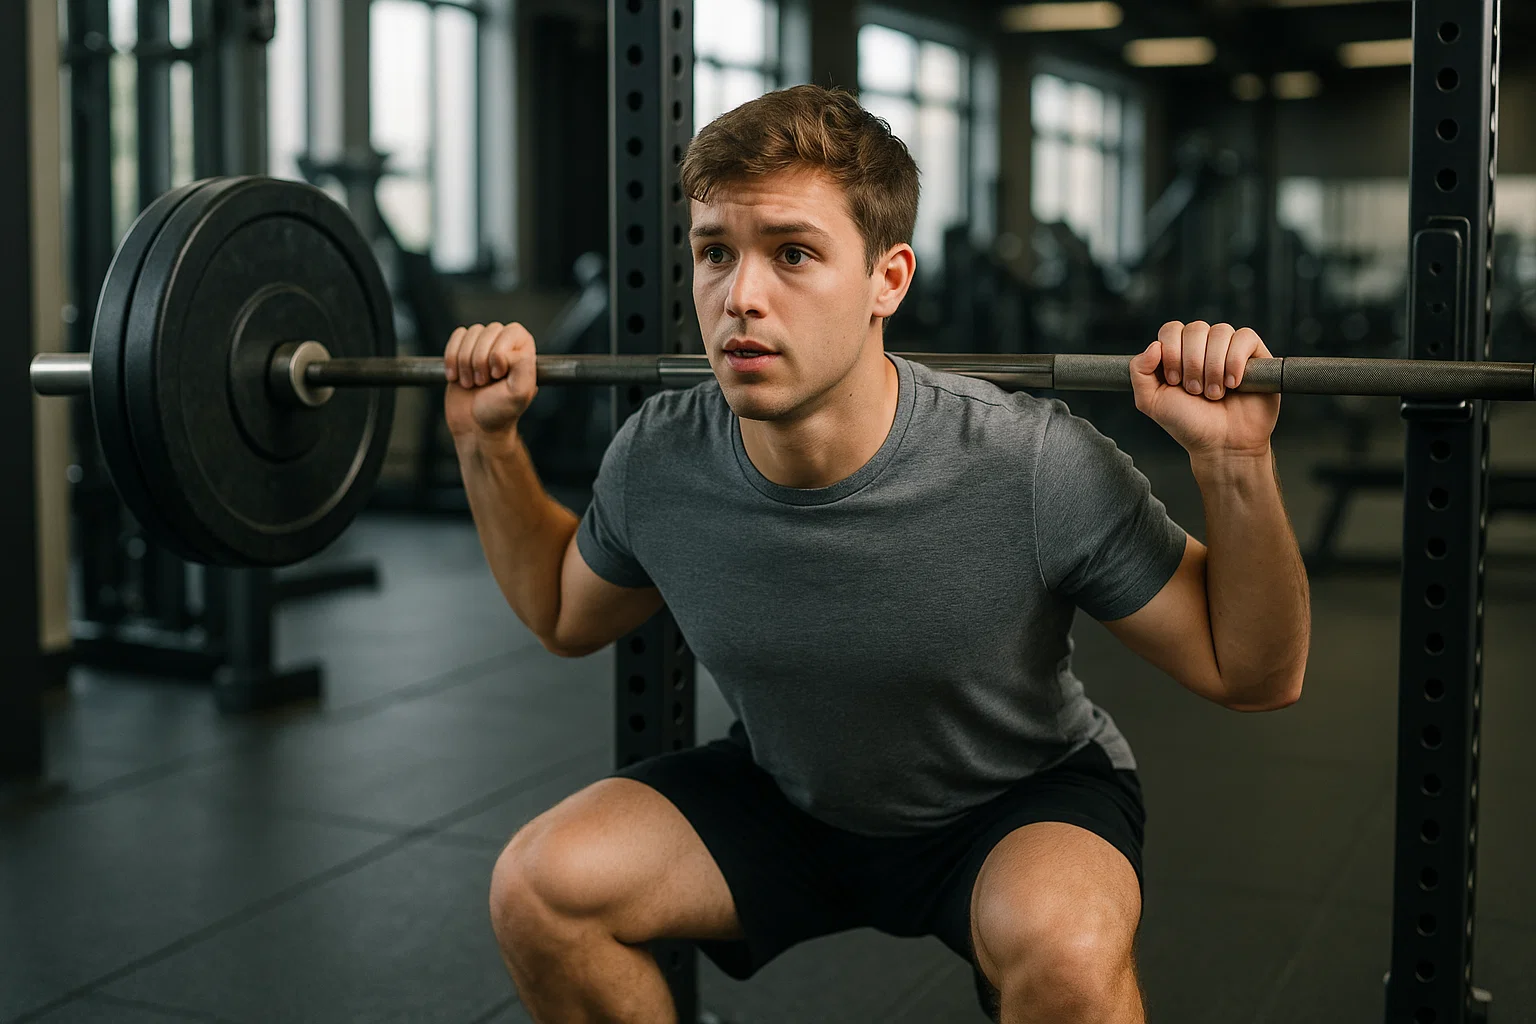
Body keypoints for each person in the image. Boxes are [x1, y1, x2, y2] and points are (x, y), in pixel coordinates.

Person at [444, 84, 1310, 1024]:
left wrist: (1235, 463)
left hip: (1011, 804)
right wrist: (484, 443)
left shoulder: (1030, 462)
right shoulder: (661, 456)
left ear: (887, 280)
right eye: (716, 253)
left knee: (1066, 951)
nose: (739, 296)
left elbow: (1253, 673)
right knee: (541, 889)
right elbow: (564, 614)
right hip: (788, 796)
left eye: (793, 253)